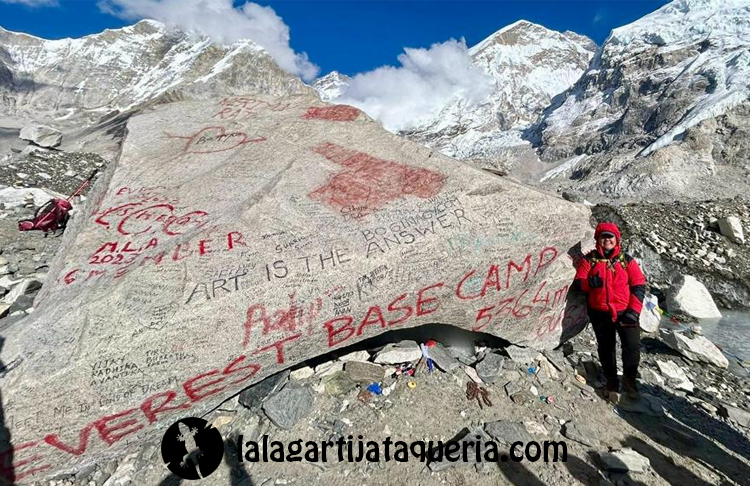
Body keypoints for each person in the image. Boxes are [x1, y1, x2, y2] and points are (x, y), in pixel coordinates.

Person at [574, 222, 646, 397]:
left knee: (632, 347)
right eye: (603, 236)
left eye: (610, 236)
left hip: (625, 311)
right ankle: (611, 381)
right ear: (597, 239)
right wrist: (589, 284)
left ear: (617, 239)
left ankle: (629, 381)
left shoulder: (626, 260)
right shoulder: (588, 260)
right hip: (600, 313)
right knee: (606, 348)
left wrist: (634, 311)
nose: (607, 240)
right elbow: (578, 283)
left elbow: (639, 285)